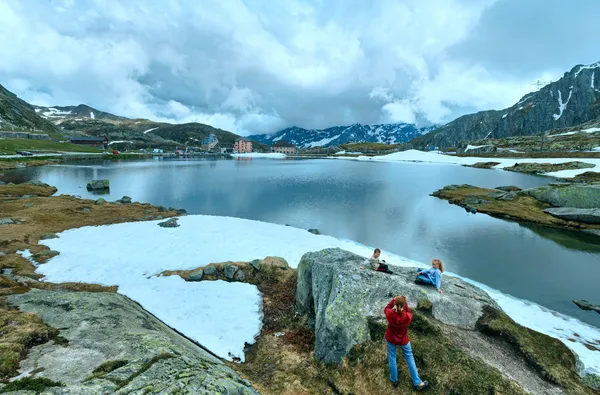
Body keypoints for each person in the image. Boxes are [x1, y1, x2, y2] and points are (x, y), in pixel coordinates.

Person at [384, 295, 430, 391]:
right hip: (403, 339)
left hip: (391, 338)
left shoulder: (390, 314)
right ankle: (417, 382)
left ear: (395, 305)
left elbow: (387, 308)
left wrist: (394, 300)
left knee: (392, 357)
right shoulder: (407, 316)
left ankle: (394, 379)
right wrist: (404, 302)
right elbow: (408, 311)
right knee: (409, 357)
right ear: (404, 305)